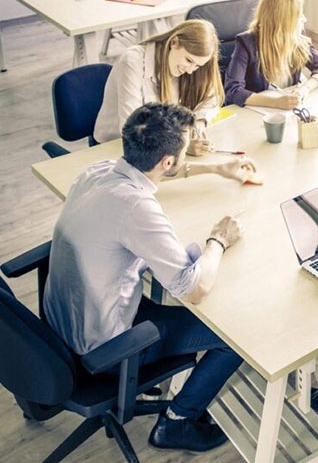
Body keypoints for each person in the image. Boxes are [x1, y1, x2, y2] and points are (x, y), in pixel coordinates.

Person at [44, 102, 256, 452]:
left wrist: (217, 167)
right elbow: (194, 288)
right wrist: (219, 239)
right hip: (105, 348)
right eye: (183, 151)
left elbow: (156, 177)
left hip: (62, 322)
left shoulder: (96, 171)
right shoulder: (137, 208)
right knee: (237, 335)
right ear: (166, 162)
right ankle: (177, 421)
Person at [94, 19, 224, 155]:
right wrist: (181, 146)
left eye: (197, 65)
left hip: (161, 144)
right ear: (174, 42)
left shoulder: (191, 68)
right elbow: (133, 129)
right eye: (189, 60)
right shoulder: (132, 62)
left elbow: (211, 99)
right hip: (115, 146)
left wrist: (199, 121)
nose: (191, 70)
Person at [223, 0, 318, 110]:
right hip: (258, 110)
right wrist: (276, 102)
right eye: (299, 16)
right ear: (283, 22)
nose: (304, 19)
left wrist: (304, 89)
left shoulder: (298, 41)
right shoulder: (246, 43)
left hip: (287, 109)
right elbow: (233, 90)